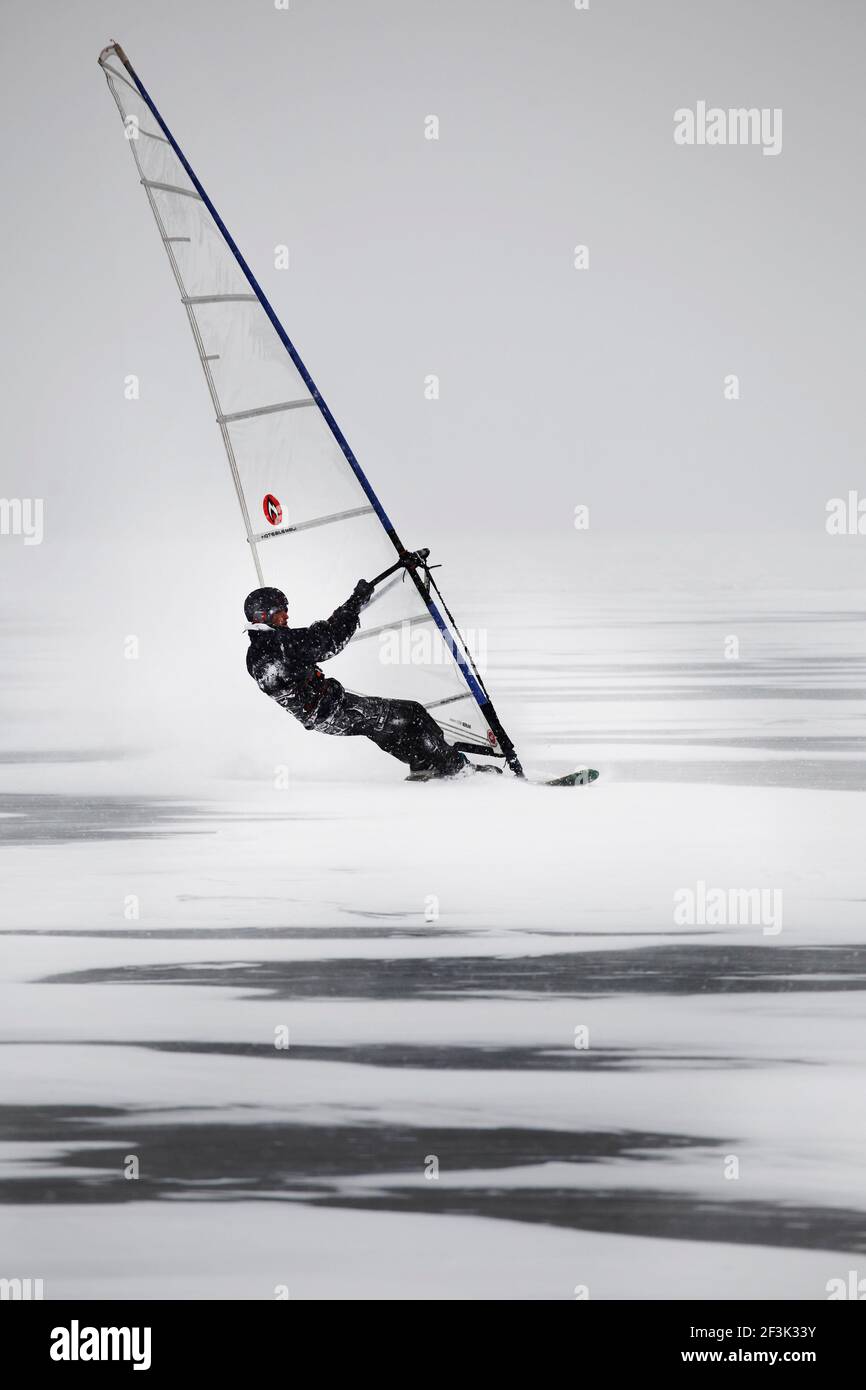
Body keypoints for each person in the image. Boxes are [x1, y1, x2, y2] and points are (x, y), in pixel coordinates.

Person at [244, 583, 469, 778]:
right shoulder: (278, 644)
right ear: (264, 615)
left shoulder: (257, 652)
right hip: (335, 711)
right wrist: (355, 602)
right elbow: (329, 639)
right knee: (412, 713)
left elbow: (312, 643)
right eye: (281, 612)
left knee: (381, 728)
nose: (286, 616)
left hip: (325, 715)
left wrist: (347, 609)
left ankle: (423, 765)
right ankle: (457, 768)